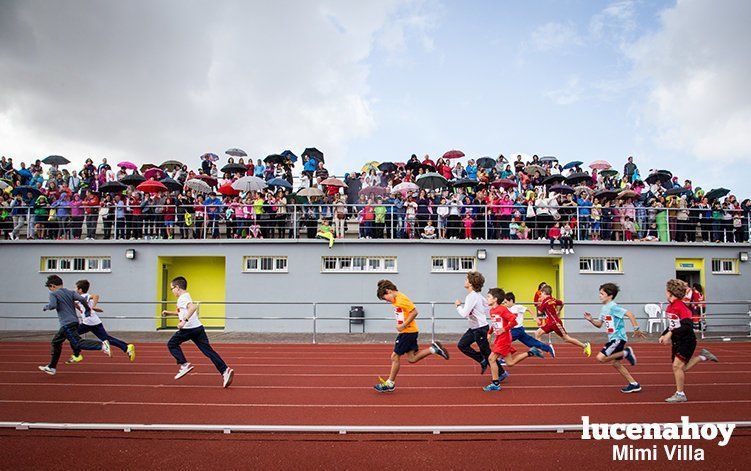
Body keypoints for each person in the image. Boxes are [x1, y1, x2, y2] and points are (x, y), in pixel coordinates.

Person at [374, 279, 449, 392]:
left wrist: (403, 325)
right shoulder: (397, 299)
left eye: (385, 298)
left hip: (407, 332)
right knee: (412, 358)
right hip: (409, 332)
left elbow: (414, 312)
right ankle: (433, 349)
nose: (386, 301)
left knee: (394, 357)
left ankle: (390, 383)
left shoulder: (401, 299)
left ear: (388, 291)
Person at [162, 276, 234, 388]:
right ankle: (225, 370)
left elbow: (193, 307)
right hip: (198, 328)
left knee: (171, 344)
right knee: (208, 351)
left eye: (172, 289)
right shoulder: (186, 296)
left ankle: (184, 364)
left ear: (177, 287)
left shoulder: (182, 298)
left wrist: (183, 322)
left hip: (188, 329)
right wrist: (169, 313)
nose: (172, 291)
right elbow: (183, 311)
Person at [38, 275, 111, 375]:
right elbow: (82, 299)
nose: (50, 290)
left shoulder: (53, 294)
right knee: (56, 342)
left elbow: (53, 305)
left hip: (67, 324)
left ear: (52, 286)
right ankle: (52, 367)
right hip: (74, 322)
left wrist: (46, 307)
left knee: (77, 343)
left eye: (49, 288)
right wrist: (87, 310)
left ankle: (102, 345)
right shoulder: (71, 292)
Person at [659, 279, 718, 403]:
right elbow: (673, 324)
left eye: (666, 290)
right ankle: (703, 357)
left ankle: (680, 394)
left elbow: (687, 325)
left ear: (670, 292)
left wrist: (670, 334)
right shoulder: (670, 307)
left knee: (677, 366)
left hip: (687, 341)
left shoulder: (681, 306)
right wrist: (664, 334)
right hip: (677, 341)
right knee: (681, 368)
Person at [584, 283, 647, 393]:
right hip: (613, 338)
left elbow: (630, 314)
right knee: (616, 363)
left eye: (602, 293)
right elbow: (599, 324)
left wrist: (636, 328)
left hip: (618, 338)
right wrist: (591, 320)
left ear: (610, 295)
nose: (599, 295)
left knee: (600, 358)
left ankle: (626, 353)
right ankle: (634, 384)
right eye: (599, 293)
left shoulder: (614, 307)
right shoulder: (604, 308)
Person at [483, 288, 544, 391]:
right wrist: (489, 333)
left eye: (488, 297)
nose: (486, 298)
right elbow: (495, 324)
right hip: (499, 338)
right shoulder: (492, 310)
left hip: (504, 339)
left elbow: (514, 321)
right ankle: (531, 352)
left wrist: (504, 329)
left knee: (491, 359)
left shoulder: (502, 309)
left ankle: (495, 383)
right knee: (510, 363)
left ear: (495, 299)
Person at [66, 279, 135, 364]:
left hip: (88, 322)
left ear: (80, 290)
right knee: (106, 338)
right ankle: (127, 347)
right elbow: (79, 306)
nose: (74, 289)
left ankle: (77, 356)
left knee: (71, 335)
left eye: (75, 288)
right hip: (95, 321)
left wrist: (94, 306)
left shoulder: (84, 296)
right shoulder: (81, 298)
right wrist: (77, 306)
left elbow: (96, 296)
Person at [454, 272, 507, 378]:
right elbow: (487, 306)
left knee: (487, 352)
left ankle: (501, 373)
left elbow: (464, 313)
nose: (465, 281)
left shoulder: (472, 296)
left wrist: (458, 306)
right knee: (462, 345)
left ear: (470, 283)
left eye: (466, 279)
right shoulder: (477, 296)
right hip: (474, 328)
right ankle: (482, 360)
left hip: (480, 329)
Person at [534, 284, 591, 356]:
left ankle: (585, 345)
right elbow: (562, 303)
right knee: (537, 333)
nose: (540, 295)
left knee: (566, 338)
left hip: (555, 323)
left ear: (544, 293)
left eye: (541, 294)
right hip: (550, 323)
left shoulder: (544, 302)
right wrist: (558, 311)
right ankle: (540, 351)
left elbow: (539, 312)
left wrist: (539, 304)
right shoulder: (553, 299)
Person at [502, 292, 555, 357]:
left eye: (505, 302)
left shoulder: (518, 307)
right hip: (517, 330)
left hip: (517, 330)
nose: (504, 304)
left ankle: (504, 356)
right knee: (531, 342)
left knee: (504, 341)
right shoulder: (506, 309)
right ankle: (547, 348)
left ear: (511, 301)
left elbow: (528, 309)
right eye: (504, 302)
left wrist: (535, 318)